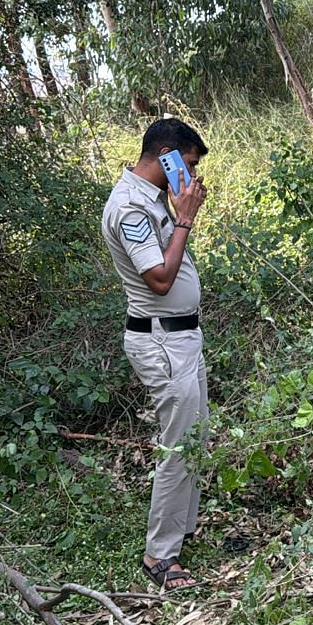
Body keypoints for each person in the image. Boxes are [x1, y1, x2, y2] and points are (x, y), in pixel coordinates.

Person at [102, 119, 209, 592]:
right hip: (162, 342)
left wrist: (177, 208)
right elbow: (160, 280)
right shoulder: (129, 207)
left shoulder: (149, 199)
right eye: (186, 165)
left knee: (196, 441)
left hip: (181, 338)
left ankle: (182, 532)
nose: (191, 176)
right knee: (178, 448)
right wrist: (184, 218)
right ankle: (159, 557)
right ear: (165, 154)